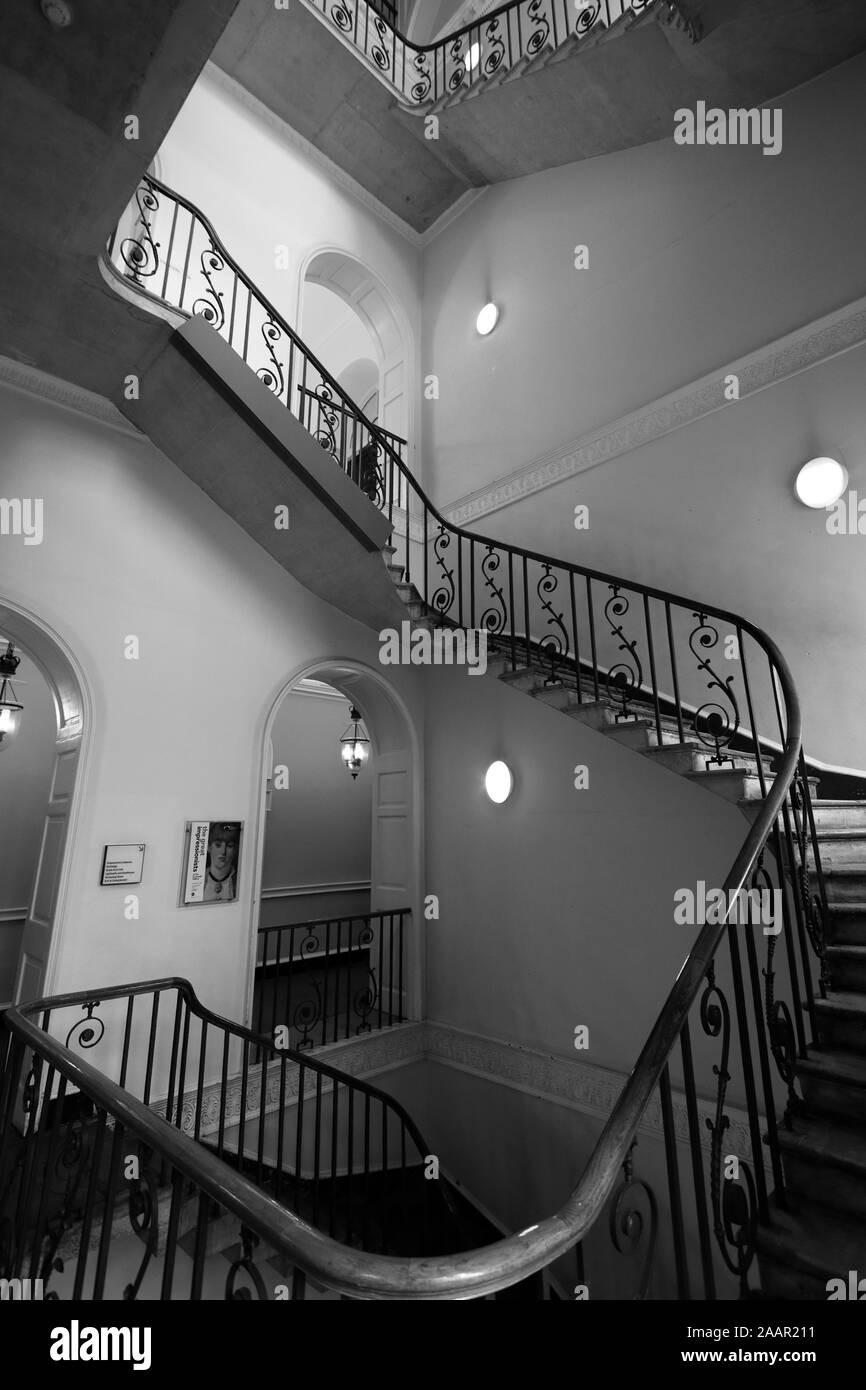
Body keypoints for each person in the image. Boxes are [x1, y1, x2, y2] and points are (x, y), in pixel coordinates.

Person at [203, 822, 240, 901]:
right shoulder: (200, 878)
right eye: (218, 845)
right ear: (209, 847)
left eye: (229, 846)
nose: (223, 852)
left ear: (235, 850)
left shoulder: (239, 881)